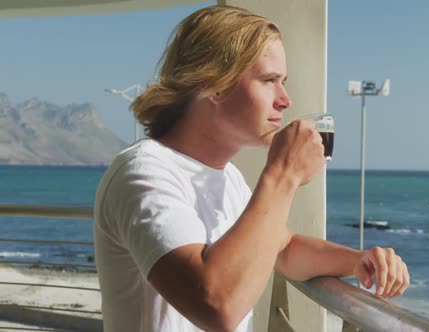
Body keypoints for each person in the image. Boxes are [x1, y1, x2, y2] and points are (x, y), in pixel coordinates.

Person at [93, 5, 409, 332]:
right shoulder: (144, 172)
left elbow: (282, 248)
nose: (285, 100)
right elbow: (216, 306)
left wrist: (358, 261)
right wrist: (283, 175)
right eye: (269, 80)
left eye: (282, 81)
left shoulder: (228, 177)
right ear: (213, 84)